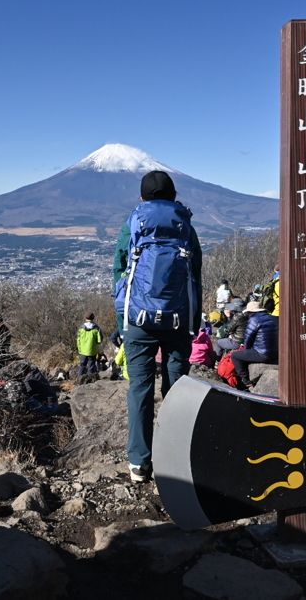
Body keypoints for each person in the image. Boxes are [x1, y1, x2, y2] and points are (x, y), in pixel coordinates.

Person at [112, 170, 202, 483]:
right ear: (174, 196)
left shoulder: (133, 223)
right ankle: (175, 457)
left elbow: (119, 273)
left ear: (141, 198)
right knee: (176, 387)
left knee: (140, 388)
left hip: (138, 321)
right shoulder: (184, 225)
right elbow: (196, 276)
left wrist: (123, 325)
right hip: (178, 319)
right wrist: (193, 321)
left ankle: (140, 463)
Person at [231, 301, 278, 389]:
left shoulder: (254, 319)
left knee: (235, 356)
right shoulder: (273, 318)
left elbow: (248, 338)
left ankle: (245, 380)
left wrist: (246, 350)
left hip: (262, 354)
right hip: (275, 353)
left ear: (250, 312)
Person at [76, 312, 104, 381]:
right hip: (93, 350)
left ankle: (79, 380)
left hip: (83, 350)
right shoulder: (96, 328)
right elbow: (99, 340)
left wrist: (79, 348)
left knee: (82, 366)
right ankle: (89, 381)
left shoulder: (81, 328)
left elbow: (78, 339)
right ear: (93, 318)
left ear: (85, 318)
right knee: (91, 366)